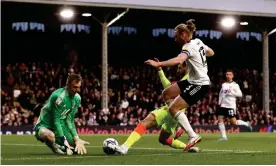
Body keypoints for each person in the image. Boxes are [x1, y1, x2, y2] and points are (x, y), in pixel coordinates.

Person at [145, 19, 214, 151]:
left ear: (183, 34)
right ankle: (177, 123)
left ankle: (192, 135)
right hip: (192, 80)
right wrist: (201, 59)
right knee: (166, 93)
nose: (174, 39)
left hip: (200, 84)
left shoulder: (188, 47)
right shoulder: (198, 42)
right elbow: (211, 52)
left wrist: (159, 64)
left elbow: (179, 60)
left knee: (173, 108)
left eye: (176, 36)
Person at [108, 62, 200, 155]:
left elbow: (169, 88)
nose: (178, 70)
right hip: (177, 114)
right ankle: (188, 147)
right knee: (163, 139)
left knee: (144, 123)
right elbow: (170, 88)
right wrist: (160, 71)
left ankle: (124, 147)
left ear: (186, 66)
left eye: (179, 68)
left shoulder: (189, 77)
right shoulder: (190, 78)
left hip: (171, 109)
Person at [34, 73, 89, 155]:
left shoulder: (77, 98)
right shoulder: (58, 97)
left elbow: (70, 120)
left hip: (61, 125)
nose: (77, 90)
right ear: (67, 85)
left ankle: (60, 145)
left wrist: (77, 138)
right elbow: (56, 120)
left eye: (79, 87)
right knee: (49, 135)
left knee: (76, 148)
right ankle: (53, 145)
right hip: (45, 125)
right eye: (75, 87)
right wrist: (65, 142)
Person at [217, 69, 253, 141]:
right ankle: (224, 137)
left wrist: (232, 92)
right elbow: (221, 93)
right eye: (227, 74)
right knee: (220, 119)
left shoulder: (235, 85)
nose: (228, 76)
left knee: (233, 122)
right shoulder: (224, 84)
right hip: (223, 105)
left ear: (232, 76)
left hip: (230, 106)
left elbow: (240, 94)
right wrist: (219, 102)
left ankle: (246, 124)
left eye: (230, 74)